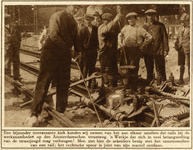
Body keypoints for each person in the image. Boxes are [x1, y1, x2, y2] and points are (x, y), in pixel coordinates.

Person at [28, 5, 82, 127]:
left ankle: (61, 111)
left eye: (78, 8)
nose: (76, 10)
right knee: (44, 82)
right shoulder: (57, 16)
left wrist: (78, 52)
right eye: (75, 7)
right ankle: (34, 114)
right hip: (50, 53)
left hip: (64, 55)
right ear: (68, 5)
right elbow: (54, 36)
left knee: (64, 83)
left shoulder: (74, 21)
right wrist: (70, 51)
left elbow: (76, 37)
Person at [118, 12, 152, 91]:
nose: (131, 20)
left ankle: (133, 88)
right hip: (125, 50)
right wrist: (120, 43)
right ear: (128, 20)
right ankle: (126, 86)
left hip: (135, 51)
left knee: (133, 69)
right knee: (125, 69)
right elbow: (119, 36)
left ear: (135, 19)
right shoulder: (125, 28)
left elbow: (149, 37)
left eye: (133, 18)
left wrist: (143, 45)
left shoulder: (139, 29)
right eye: (129, 19)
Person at [143, 9, 169, 84]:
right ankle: (150, 81)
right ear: (147, 16)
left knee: (160, 66)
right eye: (149, 15)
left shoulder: (160, 25)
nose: (150, 17)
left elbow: (165, 37)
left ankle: (162, 81)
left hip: (159, 49)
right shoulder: (144, 27)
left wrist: (166, 49)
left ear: (155, 16)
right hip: (148, 51)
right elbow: (141, 39)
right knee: (149, 66)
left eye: (152, 15)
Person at [98, 6, 122, 87]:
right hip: (104, 53)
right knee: (105, 71)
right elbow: (106, 30)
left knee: (113, 69)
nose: (106, 22)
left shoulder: (113, 28)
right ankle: (104, 86)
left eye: (108, 20)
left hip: (112, 52)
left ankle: (113, 86)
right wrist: (116, 18)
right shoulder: (101, 28)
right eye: (104, 20)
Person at [78, 14, 98, 87]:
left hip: (93, 51)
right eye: (86, 20)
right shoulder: (82, 29)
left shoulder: (96, 29)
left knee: (92, 67)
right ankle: (82, 85)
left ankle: (91, 84)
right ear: (84, 20)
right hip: (85, 52)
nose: (88, 21)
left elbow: (98, 40)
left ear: (91, 20)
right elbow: (79, 42)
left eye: (89, 19)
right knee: (84, 68)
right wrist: (80, 52)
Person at [4, 14, 21, 83]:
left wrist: (18, 43)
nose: (8, 20)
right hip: (6, 47)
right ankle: (7, 78)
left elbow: (18, 35)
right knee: (7, 62)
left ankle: (16, 77)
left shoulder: (13, 26)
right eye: (6, 19)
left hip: (15, 47)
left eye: (8, 19)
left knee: (16, 62)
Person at [174, 13, 190, 84]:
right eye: (181, 22)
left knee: (189, 64)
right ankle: (181, 79)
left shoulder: (190, 29)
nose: (182, 23)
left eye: (184, 22)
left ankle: (190, 80)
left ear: (187, 21)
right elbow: (178, 38)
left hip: (188, 49)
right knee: (181, 64)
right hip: (181, 49)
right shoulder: (180, 29)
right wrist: (176, 44)